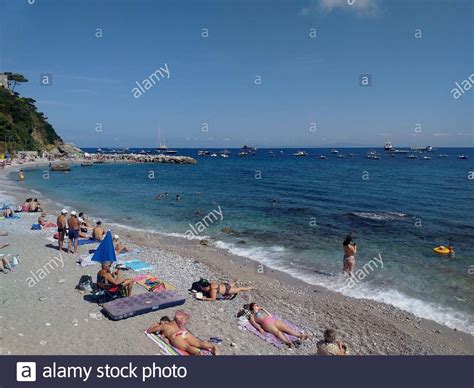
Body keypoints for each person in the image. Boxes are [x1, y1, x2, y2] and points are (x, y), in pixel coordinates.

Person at [146, 313, 220, 355]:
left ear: (163, 321)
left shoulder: (163, 326)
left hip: (176, 336)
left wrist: (155, 325)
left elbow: (149, 331)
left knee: (187, 347)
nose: (160, 323)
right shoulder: (174, 322)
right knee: (198, 343)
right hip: (184, 333)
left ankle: (200, 353)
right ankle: (213, 347)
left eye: (160, 322)